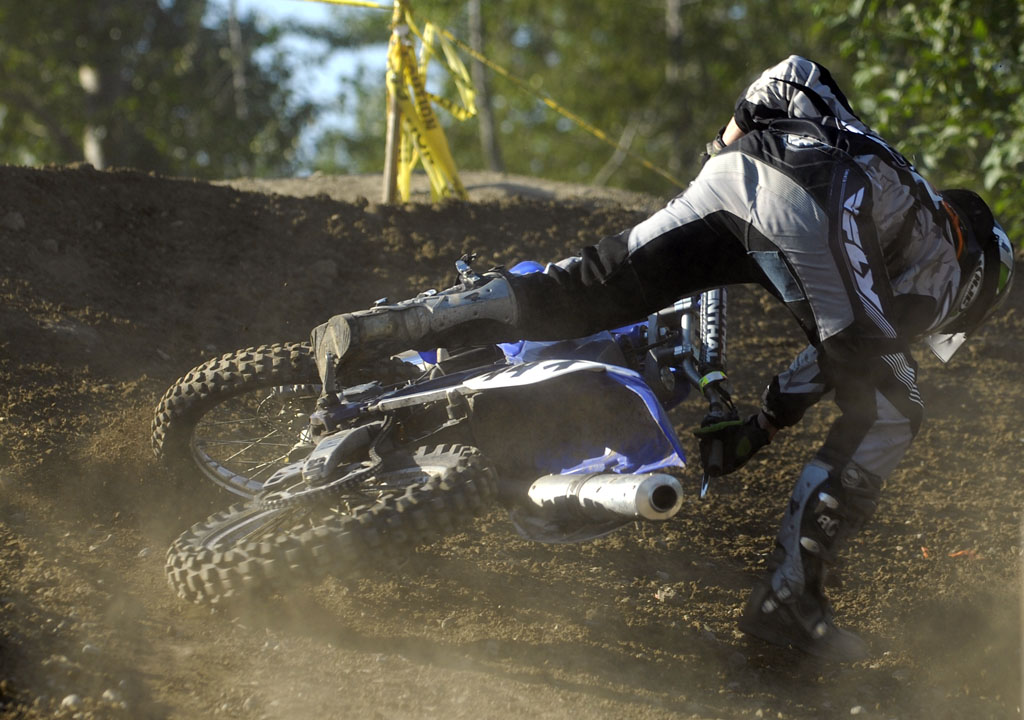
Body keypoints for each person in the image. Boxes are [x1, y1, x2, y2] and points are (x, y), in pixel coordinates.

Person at [312, 55, 1015, 662]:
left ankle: (394, 326)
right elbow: (856, 361)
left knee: (587, 287)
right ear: (979, 272)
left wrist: (724, 144)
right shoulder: (944, 258)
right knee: (896, 406)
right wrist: (759, 430)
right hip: (818, 204)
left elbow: (795, 73)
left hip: (737, 175)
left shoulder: (880, 155)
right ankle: (787, 602)